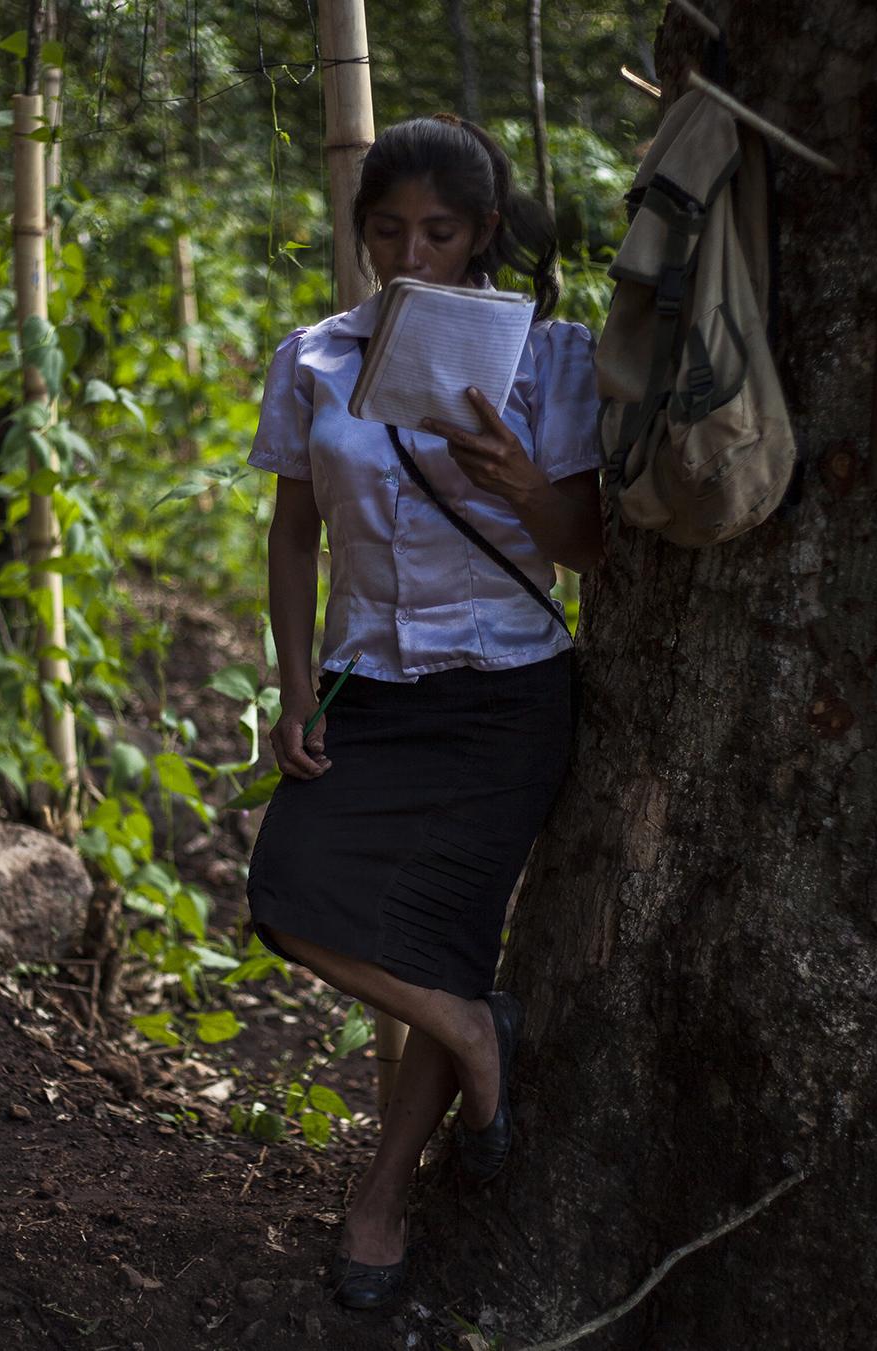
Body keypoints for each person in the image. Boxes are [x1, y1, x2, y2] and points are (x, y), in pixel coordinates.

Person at [243, 114, 603, 1312]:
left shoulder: (552, 360)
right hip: (373, 686)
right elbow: (294, 534)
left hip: (507, 693)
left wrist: (525, 488)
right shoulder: (315, 358)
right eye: (388, 230)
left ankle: (379, 1209)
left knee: (436, 934)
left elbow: (586, 551)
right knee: (288, 894)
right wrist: (296, 687)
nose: (411, 254)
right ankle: (476, 1031)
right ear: (361, 231)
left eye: (437, 233)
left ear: (481, 234)